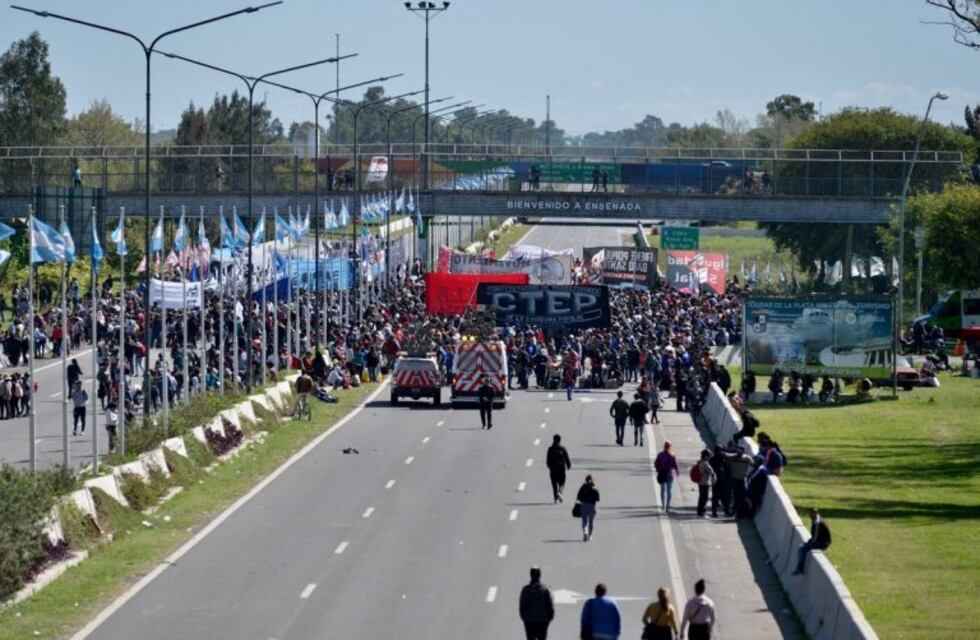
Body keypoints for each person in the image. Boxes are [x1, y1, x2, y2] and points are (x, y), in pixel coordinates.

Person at [519, 567, 555, 640]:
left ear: (530, 575)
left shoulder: (525, 590)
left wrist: (525, 618)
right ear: (539, 575)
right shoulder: (545, 590)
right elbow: (550, 606)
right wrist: (549, 618)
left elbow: (522, 607)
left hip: (529, 622)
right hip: (543, 622)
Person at [793, 508, 832, 575]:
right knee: (803, 546)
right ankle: (799, 567)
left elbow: (815, 537)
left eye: (812, 514)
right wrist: (809, 542)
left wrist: (809, 543)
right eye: (810, 513)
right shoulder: (815, 519)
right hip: (819, 541)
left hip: (823, 543)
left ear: (816, 514)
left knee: (802, 548)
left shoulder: (817, 522)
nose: (810, 515)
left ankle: (800, 568)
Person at [546, 434, 572, 504]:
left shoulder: (550, 449)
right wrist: (568, 466)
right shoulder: (563, 449)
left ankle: (556, 499)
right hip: (561, 469)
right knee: (562, 483)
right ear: (560, 440)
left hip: (553, 470)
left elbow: (548, 460)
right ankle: (560, 492)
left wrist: (550, 467)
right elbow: (567, 458)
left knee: (554, 485)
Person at [654, 441, 679, 512]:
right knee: (669, 490)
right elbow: (675, 465)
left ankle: (663, 505)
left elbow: (656, 464)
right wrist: (677, 471)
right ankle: (667, 506)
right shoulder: (672, 455)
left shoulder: (660, 455)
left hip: (662, 474)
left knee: (662, 489)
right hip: (670, 474)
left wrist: (658, 469)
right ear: (670, 447)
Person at [576, 474, 600, 541]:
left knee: (584, 522)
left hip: (584, 506)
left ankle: (585, 532)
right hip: (592, 507)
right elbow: (597, 499)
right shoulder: (595, 490)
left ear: (585, 480)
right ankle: (590, 536)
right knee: (591, 522)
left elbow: (578, 497)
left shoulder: (582, 488)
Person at [695, 449, 717, 517]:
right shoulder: (705, 463)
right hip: (705, 483)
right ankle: (702, 512)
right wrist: (714, 477)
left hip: (701, 482)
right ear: (706, 456)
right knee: (705, 498)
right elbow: (711, 471)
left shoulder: (701, 462)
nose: (709, 457)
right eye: (708, 455)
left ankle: (700, 511)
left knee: (702, 497)